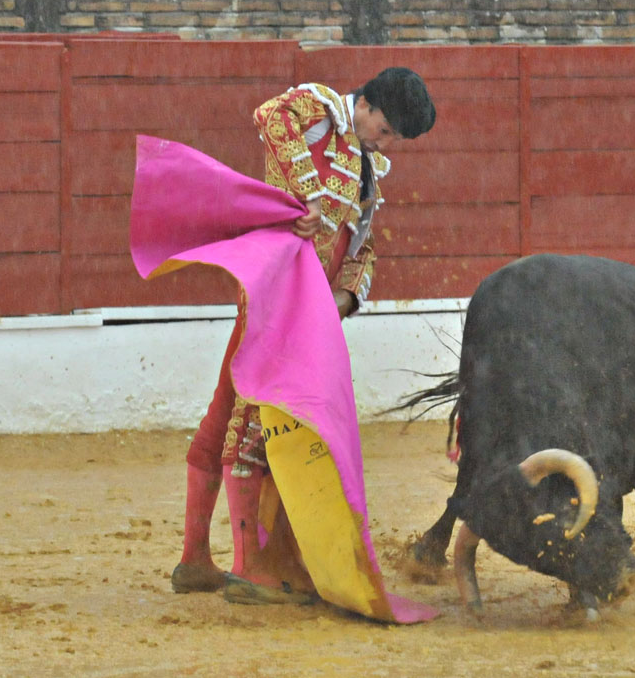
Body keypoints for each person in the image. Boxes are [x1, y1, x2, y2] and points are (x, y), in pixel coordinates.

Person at [169, 67, 436, 603]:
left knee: (227, 413)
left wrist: (345, 298)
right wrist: (310, 196)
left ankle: (196, 558)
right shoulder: (320, 112)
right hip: (275, 291)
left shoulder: (367, 171)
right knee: (254, 421)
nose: (384, 144)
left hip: (305, 310)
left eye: (393, 140)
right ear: (366, 104)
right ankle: (250, 567)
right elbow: (270, 115)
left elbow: (361, 248)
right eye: (383, 130)